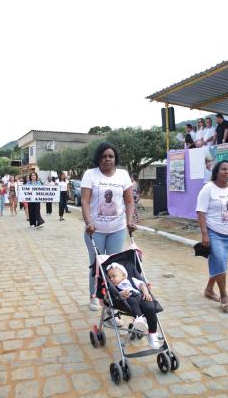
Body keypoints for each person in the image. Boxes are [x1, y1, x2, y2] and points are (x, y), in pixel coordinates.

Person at [81, 142, 136, 312]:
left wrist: (129, 220)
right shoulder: (91, 175)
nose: (107, 159)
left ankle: (112, 297)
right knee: (96, 264)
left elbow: (129, 201)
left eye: (110, 156)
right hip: (94, 231)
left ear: (115, 158)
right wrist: (88, 222)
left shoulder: (123, 175)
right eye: (104, 156)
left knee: (113, 266)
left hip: (117, 230)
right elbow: (85, 201)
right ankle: (94, 295)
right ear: (98, 158)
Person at [196, 160, 228, 312]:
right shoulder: (208, 188)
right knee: (220, 261)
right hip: (214, 232)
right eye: (223, 169)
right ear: (216, 171)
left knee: (219, 263)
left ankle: (209, 290)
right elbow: (200, 211)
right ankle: (224, 296)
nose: (227, 172)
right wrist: (204, 234)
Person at [107, 263, 163, 349]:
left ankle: (152, 334)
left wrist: (146, 292)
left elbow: (142, 285)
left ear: (124, 276)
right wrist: (119, 294)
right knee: (132, 301)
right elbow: (111, 296)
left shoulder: (131, 279)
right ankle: (139, 319)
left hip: (141, 296)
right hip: (129, 299)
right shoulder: (113, 288)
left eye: (114, 276)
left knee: (150, 307)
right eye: (110, 277)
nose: (111, 279)